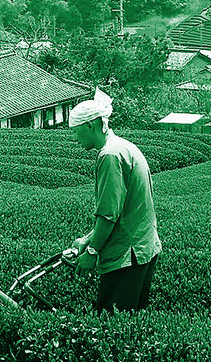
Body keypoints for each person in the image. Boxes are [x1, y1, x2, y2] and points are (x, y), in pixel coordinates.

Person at [66, 90, 162, 312]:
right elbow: (123, 209)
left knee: (111, 323)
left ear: (90, 125)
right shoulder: (124, 147)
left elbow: (109, 214)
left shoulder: (109, 155)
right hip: (142, 248)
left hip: (127, 255)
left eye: (76, 130)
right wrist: (88, 239)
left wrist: (92, 252)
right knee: (130, 324)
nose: (75, 138)